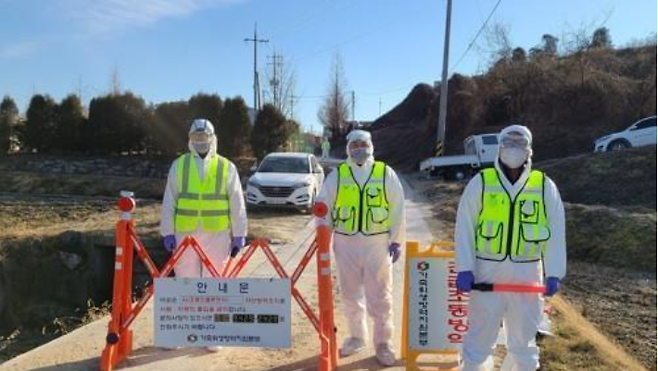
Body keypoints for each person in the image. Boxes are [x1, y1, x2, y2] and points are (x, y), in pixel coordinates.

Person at [454, 125, 566, 371]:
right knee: (478, 341)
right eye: (508, 142)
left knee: (524, 344)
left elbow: (556, 232)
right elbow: (465, 227)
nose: (513, 148)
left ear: (529, 150)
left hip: (527, 275)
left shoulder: (544, 186)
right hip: (486, 273)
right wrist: (464, 268)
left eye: (520, 143)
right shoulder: (481, 182)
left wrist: (554, 272)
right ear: (499, 147)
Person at [316, 129, 406, 367]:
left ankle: (383, 343)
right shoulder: (337, 175)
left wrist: (396, 240)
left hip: (377, 243)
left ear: (371, 146)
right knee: (350, 294)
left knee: (381, 296)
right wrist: (323, 235)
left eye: (363, 144)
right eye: (354, 144)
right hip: (345, 243)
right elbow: (323, 206)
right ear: (348, 148)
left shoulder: (385, 173)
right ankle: (357, 337)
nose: (359, 149)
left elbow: (398, 207)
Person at [160, 118, 248, 352]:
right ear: (190, 140)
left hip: (217, 233)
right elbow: (169, 200)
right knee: (185, 281)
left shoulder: (226, 167)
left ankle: (212, 332)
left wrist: (239, 234)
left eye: (204, 138)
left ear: (213, 138)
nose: (200, 142)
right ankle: (182, 332)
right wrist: (167, 231)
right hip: (185, 233)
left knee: (215, 282)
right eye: (196, 138)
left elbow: (237, 202)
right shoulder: (179, 165)